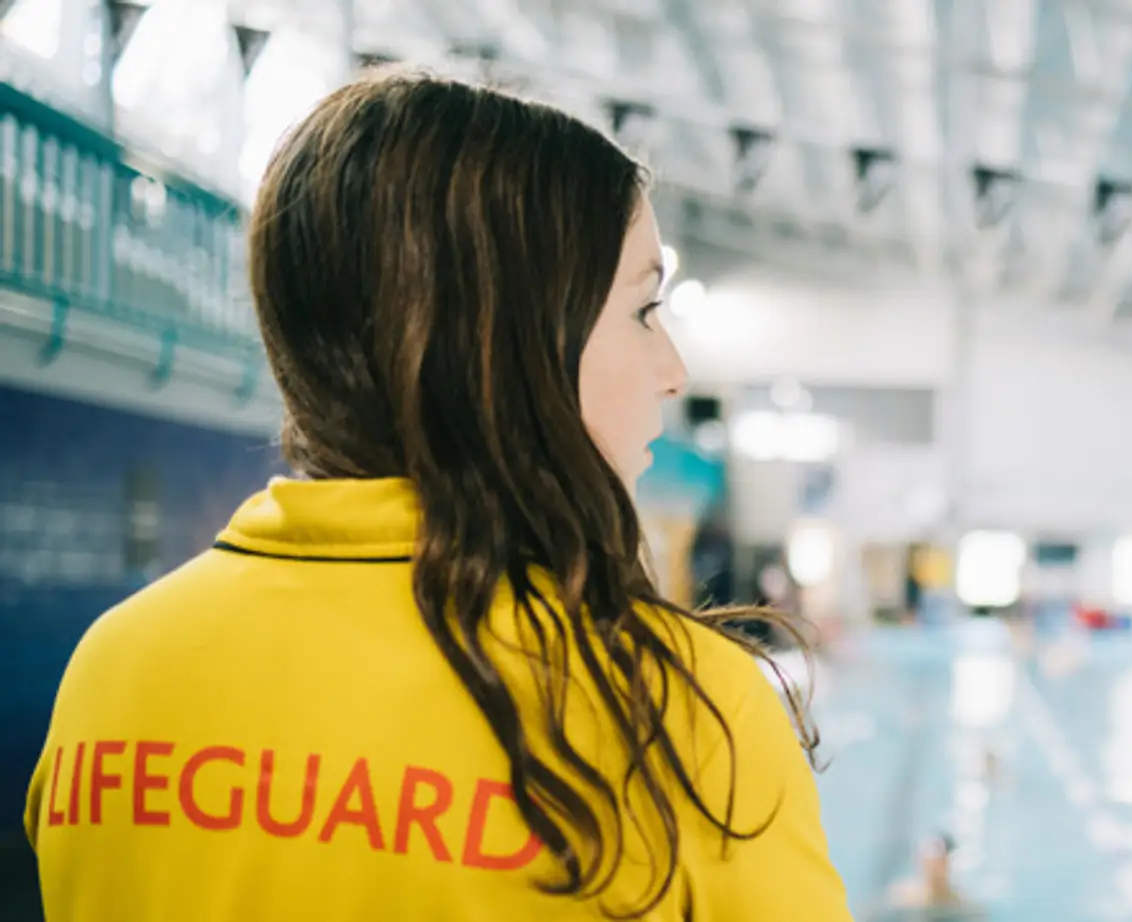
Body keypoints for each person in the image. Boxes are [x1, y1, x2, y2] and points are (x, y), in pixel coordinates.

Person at [23, 72, 852, 921]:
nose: (674, 371)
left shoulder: (113, 668)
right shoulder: (679, 716)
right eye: (644, 311)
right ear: (507, 342)